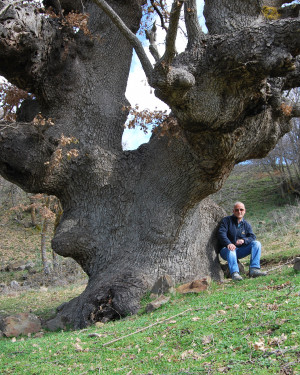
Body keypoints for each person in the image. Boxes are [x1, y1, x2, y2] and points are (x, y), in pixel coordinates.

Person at [218, 202, 267, 281]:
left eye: (241, 209)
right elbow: (221, 234)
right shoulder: (226, 221)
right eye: (237, 210)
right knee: (231, 249)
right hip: (226, 250)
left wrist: (244, 240)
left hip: (240, 250)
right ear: (233, 211)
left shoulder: (246, 224)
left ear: (245, 211)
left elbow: (252, 236)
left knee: (257, 244)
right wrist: (229, 243)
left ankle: (254, 270)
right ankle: (235, 274)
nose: (239, 212)